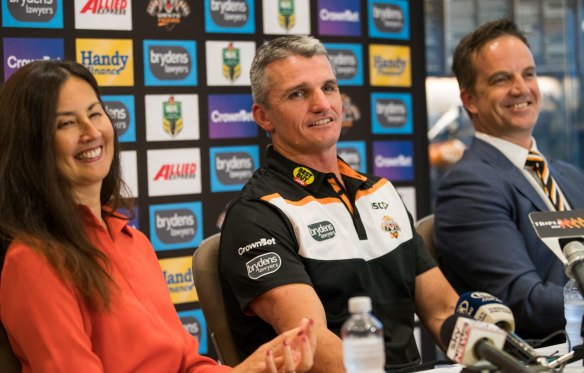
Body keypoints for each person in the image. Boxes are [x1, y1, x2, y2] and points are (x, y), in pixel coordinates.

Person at [0, 60, 316, 373]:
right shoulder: (33, 261)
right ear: (32, 145)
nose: (91, 131)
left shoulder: (133, 242)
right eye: (66, 123)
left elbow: (187, 364)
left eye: (95, 113)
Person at [219, 35, 459, 372]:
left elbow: (443, 311)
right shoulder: (258, 214)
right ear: (263, 116)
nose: (322, 104)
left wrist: (503, 355)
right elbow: (312, 344)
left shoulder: (380, 191)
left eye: (328, 88)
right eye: (298, 94)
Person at [434, 18, 584, 340]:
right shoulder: (468, 188)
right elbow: (525, 302)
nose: (521, 88)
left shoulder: (569, 177)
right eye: (502, 79)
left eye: (528, 74)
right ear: (470, 100)